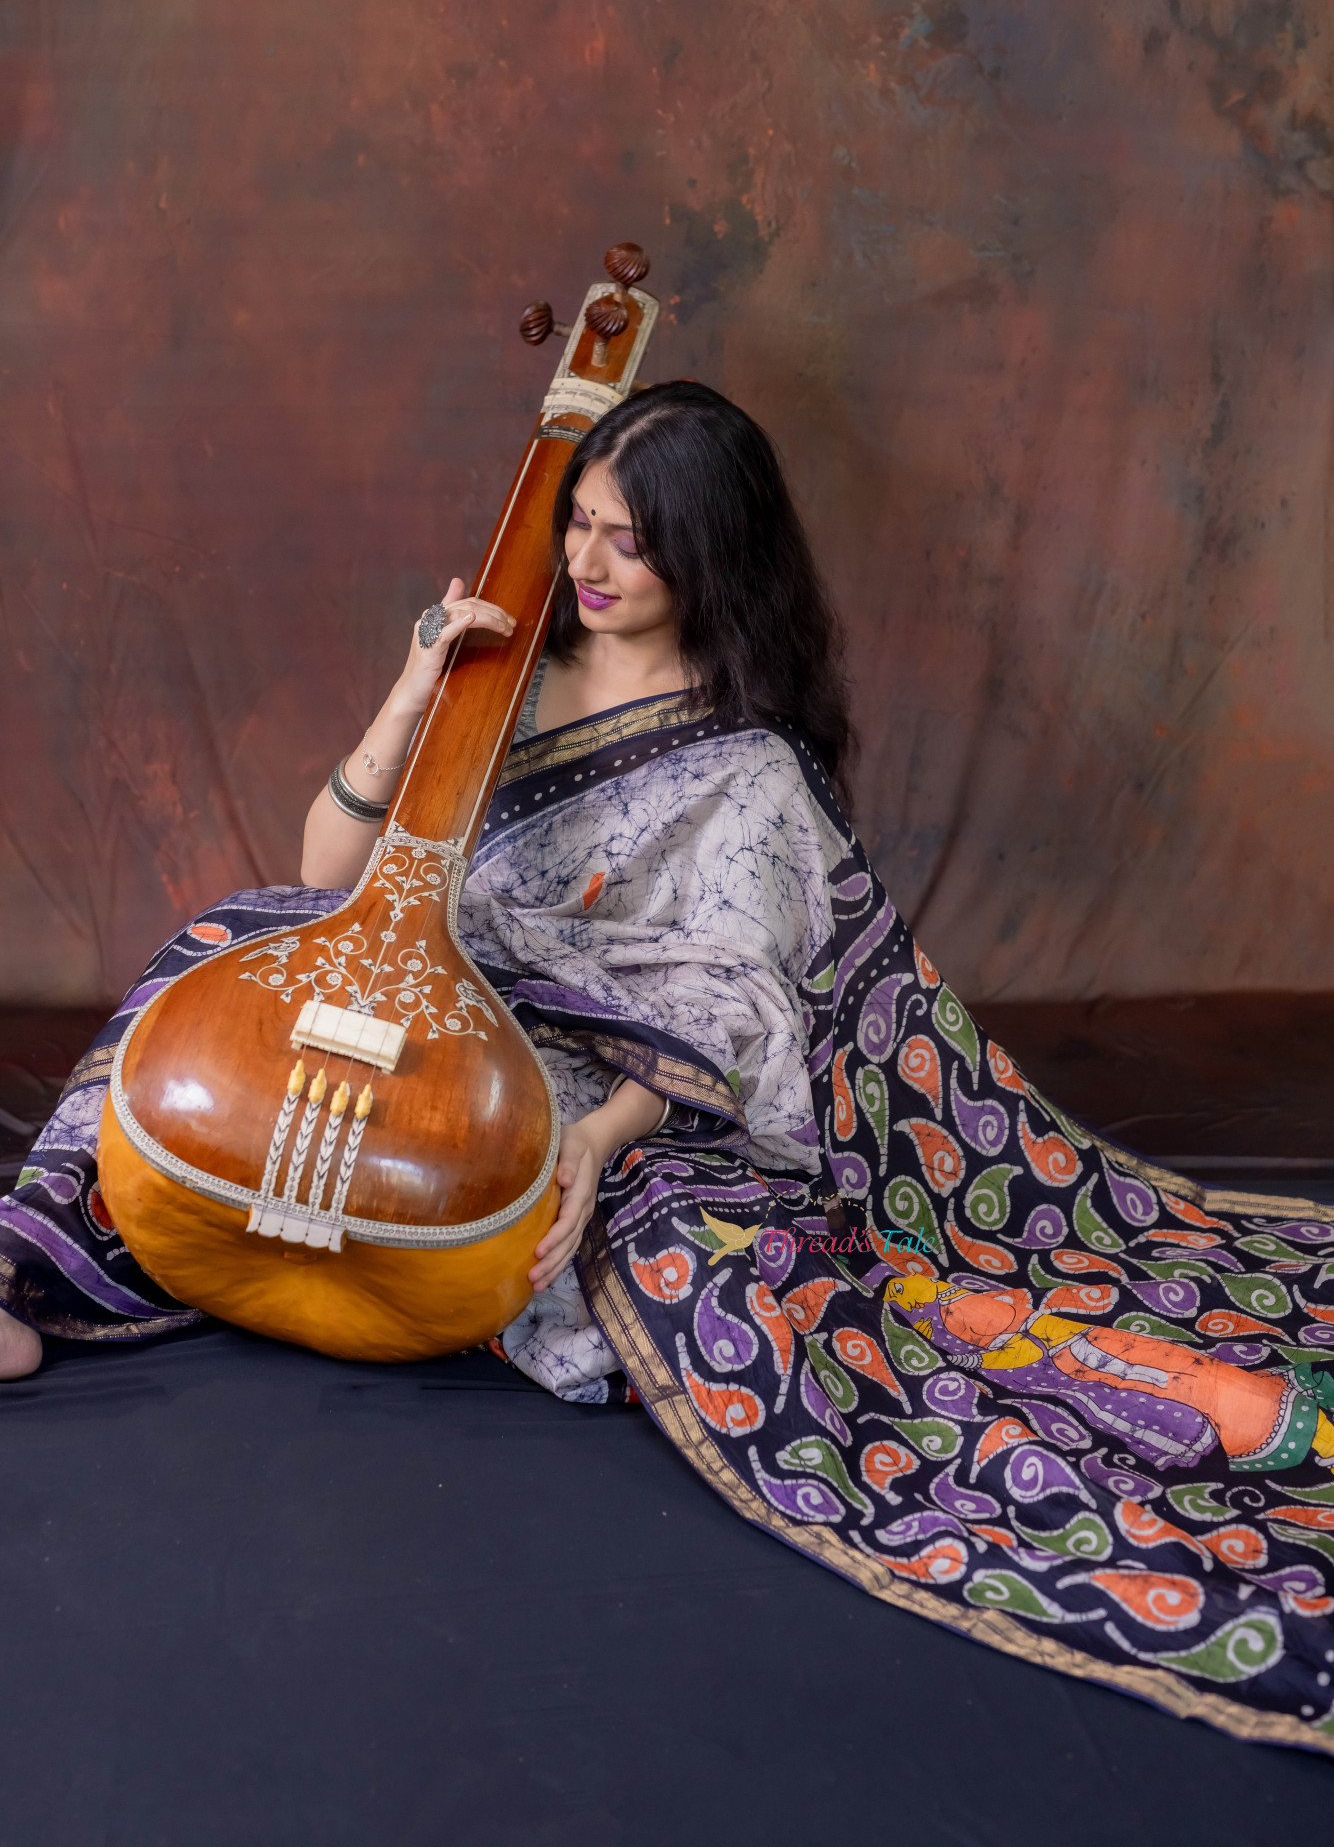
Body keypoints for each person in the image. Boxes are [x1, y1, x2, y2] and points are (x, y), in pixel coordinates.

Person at [11, 383, 1334, 1753]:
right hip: (431, 996)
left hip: (607, 1069)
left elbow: (725, 1010)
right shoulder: (500, 673)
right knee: (224, 943)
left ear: (706, 556)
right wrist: (413, 699)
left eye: (627, 542)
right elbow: (325, 879)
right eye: (577, 524)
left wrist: (592, 1146)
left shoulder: (746, 767)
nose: (583, 564)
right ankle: (21, 1267)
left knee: (692, 1256)